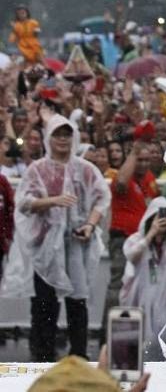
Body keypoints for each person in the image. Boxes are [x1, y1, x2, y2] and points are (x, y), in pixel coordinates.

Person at [2, 116, 111, 361]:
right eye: (57, 134)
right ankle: (41, 357)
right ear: (48, 137)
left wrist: (90, 226)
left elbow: (101, 198)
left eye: (66, 134)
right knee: (44, 304)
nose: (62, 139)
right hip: (46, 248)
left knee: (77, 301)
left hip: (75, 246)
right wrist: (52, 201)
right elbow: (24, 203)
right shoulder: (37, 169)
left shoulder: (85, 169)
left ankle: (79, 356)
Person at [105, 138, 160, 336]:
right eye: (140, 160)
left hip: (143, 241)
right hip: (122, 239)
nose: (144, 164)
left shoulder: (149, 179)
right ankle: (110, 336)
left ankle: (131, 336)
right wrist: (133, 154)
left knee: (138, 287)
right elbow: (120, 184)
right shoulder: (123, 177)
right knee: (119, 286)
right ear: (132, 159)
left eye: (147, 160)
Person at [119, 197, 166, 359]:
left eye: (165, 216)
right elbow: (131, 255)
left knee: (163, 337)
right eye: (157, 216)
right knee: (141, 339)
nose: (161, 220)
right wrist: (150, 234)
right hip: (142, 298)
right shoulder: (136, 239)